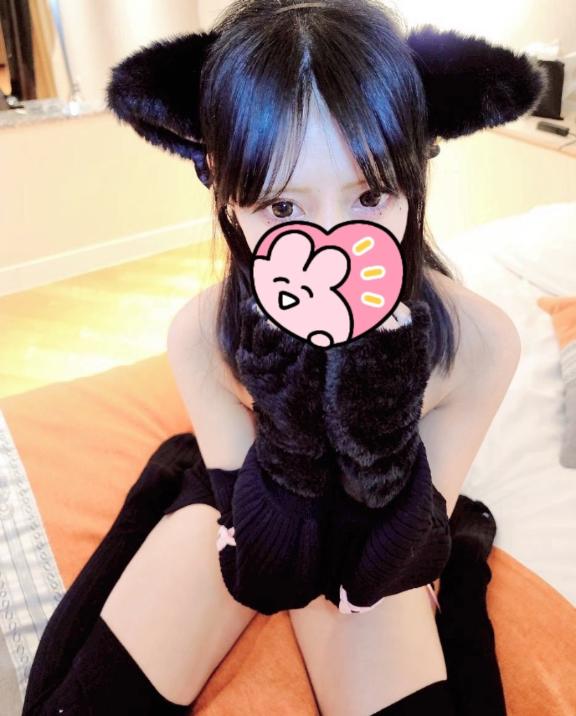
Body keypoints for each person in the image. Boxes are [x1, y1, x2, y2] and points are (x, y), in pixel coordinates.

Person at [22, 1, 547, 713]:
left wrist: (378, 400)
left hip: (383, 513)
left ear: (414, 178)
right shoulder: (202, 336)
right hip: (256, 487)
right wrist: (290, 420)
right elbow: (261, 564)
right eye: (282, 208)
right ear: (225, 193)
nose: (332, 247)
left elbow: (393, 556)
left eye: (370, 194)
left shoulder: (480, 343)